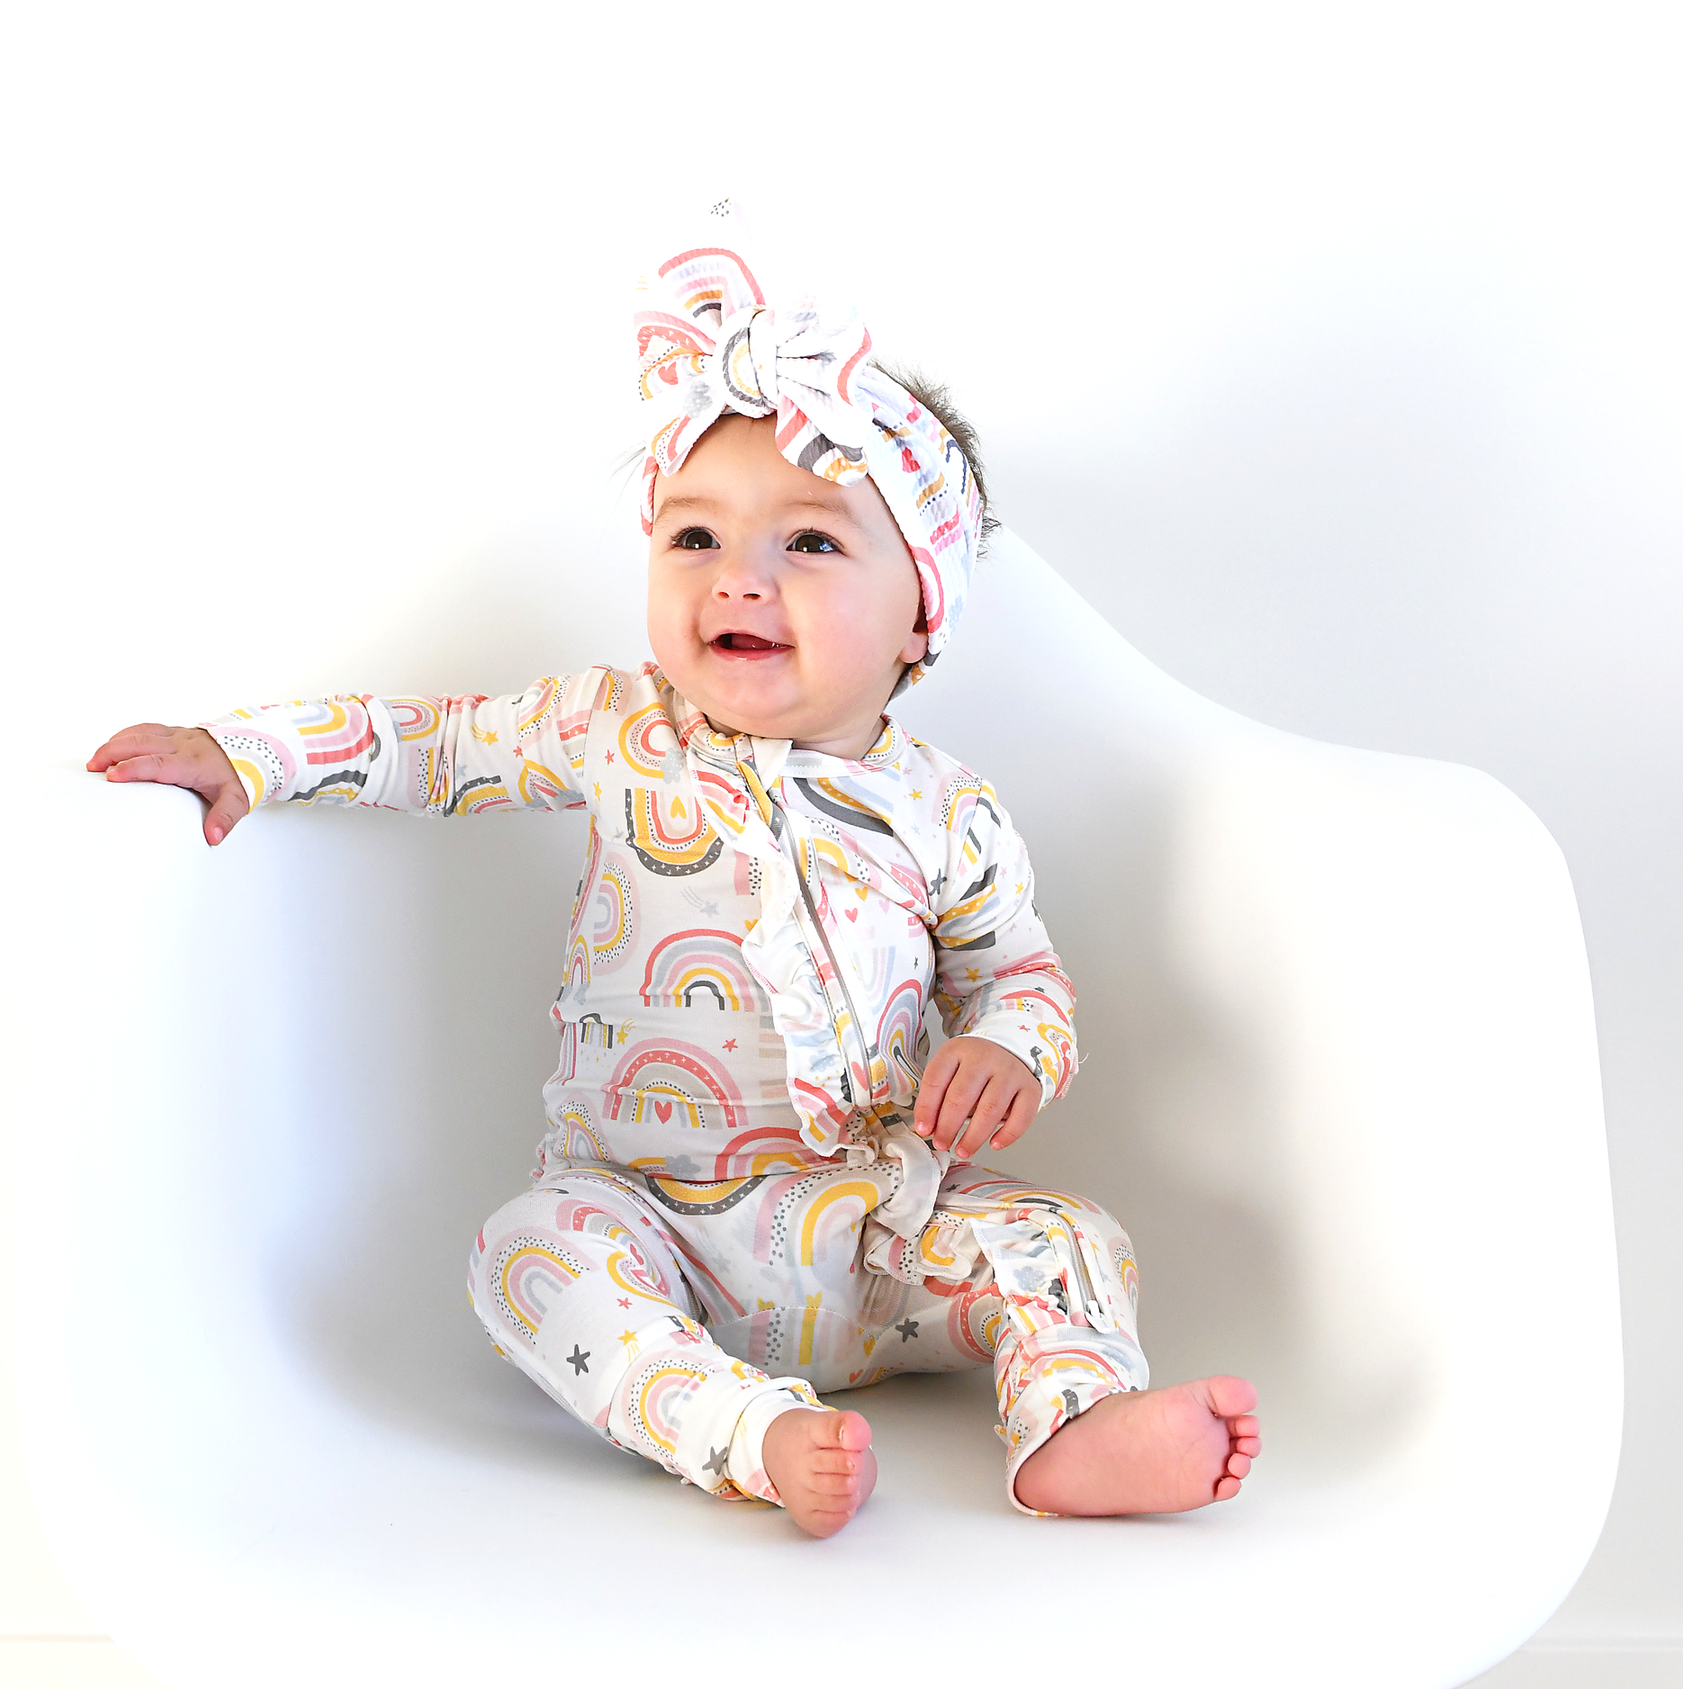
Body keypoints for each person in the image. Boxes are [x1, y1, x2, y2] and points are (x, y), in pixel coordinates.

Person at [89, 203, 1260, 1537]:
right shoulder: (613, 728)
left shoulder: (947, 813)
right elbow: (434, 743)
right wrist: (250, 755)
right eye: (694, 538)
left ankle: (1072, 1424)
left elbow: (1021, 976)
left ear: (919, 619)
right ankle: (745, 1431)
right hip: (653, 1224)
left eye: (808, 543)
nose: (737, 579)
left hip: (878, 1231)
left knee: (1070, 1237)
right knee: (524, 1256)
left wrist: (1007, 1048)